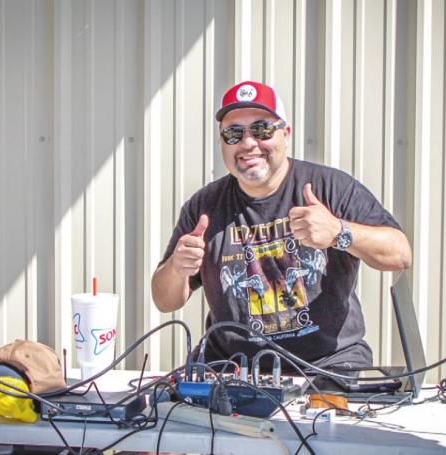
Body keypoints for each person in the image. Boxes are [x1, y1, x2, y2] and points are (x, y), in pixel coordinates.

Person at [151, 81, 412, 375]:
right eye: (234, 133)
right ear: (223, 142)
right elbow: (165, 300)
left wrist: (339, 232)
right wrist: (177, 266)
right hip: (232, 370)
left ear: (285, 135)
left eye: (262, 130)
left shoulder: (330, 188)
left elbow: (400, 254)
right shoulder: (204, 207)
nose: (248, 143)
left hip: (327, 368)